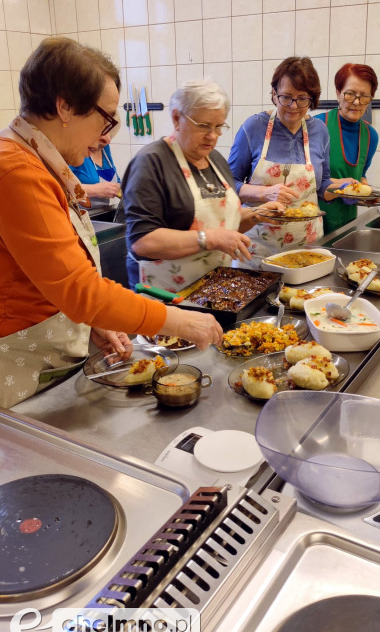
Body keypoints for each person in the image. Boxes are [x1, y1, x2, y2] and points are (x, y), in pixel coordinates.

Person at [0, 38, 222, 408]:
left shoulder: (37, 160)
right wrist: (175, 321)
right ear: (65, 107)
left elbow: (55, 277)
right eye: (106, 118)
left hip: (52, 353)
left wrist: (89, 321)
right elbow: (78, 288)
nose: (105, 136)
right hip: (23, 364)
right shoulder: (17, 171)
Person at [122, 80, 283, 291]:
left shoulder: (215, 160)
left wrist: (257, 214)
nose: (213, 136)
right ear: (176, 118)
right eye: (204, 126)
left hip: (212, 290)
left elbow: (224, 226)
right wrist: (209, 238)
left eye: (219, 126)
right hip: (165, 297)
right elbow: (142, 241)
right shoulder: (151, 163)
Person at [228, 56, 355, 265]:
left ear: (312, 99)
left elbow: (322, 186)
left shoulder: (319, 131)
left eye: (302, 98)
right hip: (258, 249)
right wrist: (264, 192)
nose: (293, 106)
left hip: (307, 247)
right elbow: (227, 184)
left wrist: (343, 189)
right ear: (274, 93)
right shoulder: (253, 128)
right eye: (286, 97)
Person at [315, 63, 379, 234]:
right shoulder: (317, 126)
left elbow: (360, 175)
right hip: (313, 223)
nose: (357, 102)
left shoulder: (370, 136)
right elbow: (304, 180)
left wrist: (363, 188)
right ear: (338, 93)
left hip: (347, 224)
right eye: (350, 94)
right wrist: (342, 185)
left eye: (364, 97)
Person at [69, 130, 121, 208]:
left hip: (101, 213)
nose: (108, 139)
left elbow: (116, 181)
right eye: (103, 130)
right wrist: (95, 190)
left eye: (109, 131)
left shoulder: (105, 148)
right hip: (80, 215)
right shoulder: (73, 149)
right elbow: (62, 188)